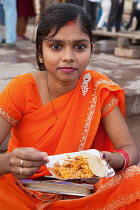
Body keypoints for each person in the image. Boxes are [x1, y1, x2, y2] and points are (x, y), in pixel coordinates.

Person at [0, 3, 140, 209]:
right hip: (23, 188)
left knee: (135, 179)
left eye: (79, 46)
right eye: (56, 46)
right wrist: (9, 162)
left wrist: (113, 159)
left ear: (91, 49)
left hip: (83, 188)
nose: (68, 56)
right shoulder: (21, 89)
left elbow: (130, 149)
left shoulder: (96, 88)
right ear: (40, 52)